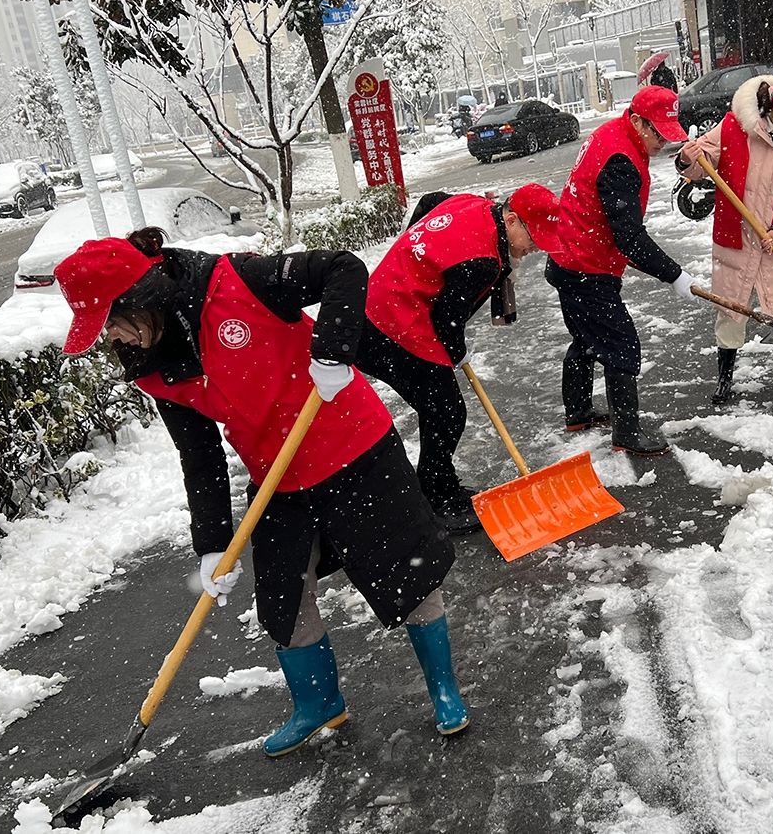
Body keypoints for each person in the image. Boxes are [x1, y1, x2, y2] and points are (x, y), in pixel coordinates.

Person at [53, 233, 470, 755]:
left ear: (140, 299)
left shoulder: (237, 282)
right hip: (279, 476)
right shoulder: (154, 366)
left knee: (408, 571)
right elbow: (199, 456)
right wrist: (211, 544)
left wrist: (333, 350)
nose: (110, 337)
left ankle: (443, 687)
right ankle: (318, 704)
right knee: (284, 598)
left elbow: (342, 267)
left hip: (355, 447)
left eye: (111, 321)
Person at [356, 184, 563, 533]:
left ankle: (438, 485)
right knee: (446, 412)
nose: (535, 247)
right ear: (512, 219)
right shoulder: (481, 261)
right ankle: (435, 500)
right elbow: (446, 320)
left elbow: (431, 200)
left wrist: (415, 251)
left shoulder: (473, 204)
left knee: (441, 407)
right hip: (390, 328)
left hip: (379, 305)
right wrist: (455, 350)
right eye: (534, 238)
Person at [546, 85, 700, 457]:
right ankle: (626, 433)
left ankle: (578, 412)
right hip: (586, 266)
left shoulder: (613, 134)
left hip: (568, 256)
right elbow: (629, 237)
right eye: (658, 133)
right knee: (621, 344)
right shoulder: (621, 160)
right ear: (638, 121)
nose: (663, 142)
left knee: (586, 337)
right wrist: (674, 275)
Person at [676, 73, 773, 404]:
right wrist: (689, 159)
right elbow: (703, 160)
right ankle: (724, 379)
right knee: (730, 310)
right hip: (737, 235)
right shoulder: (734, 127)